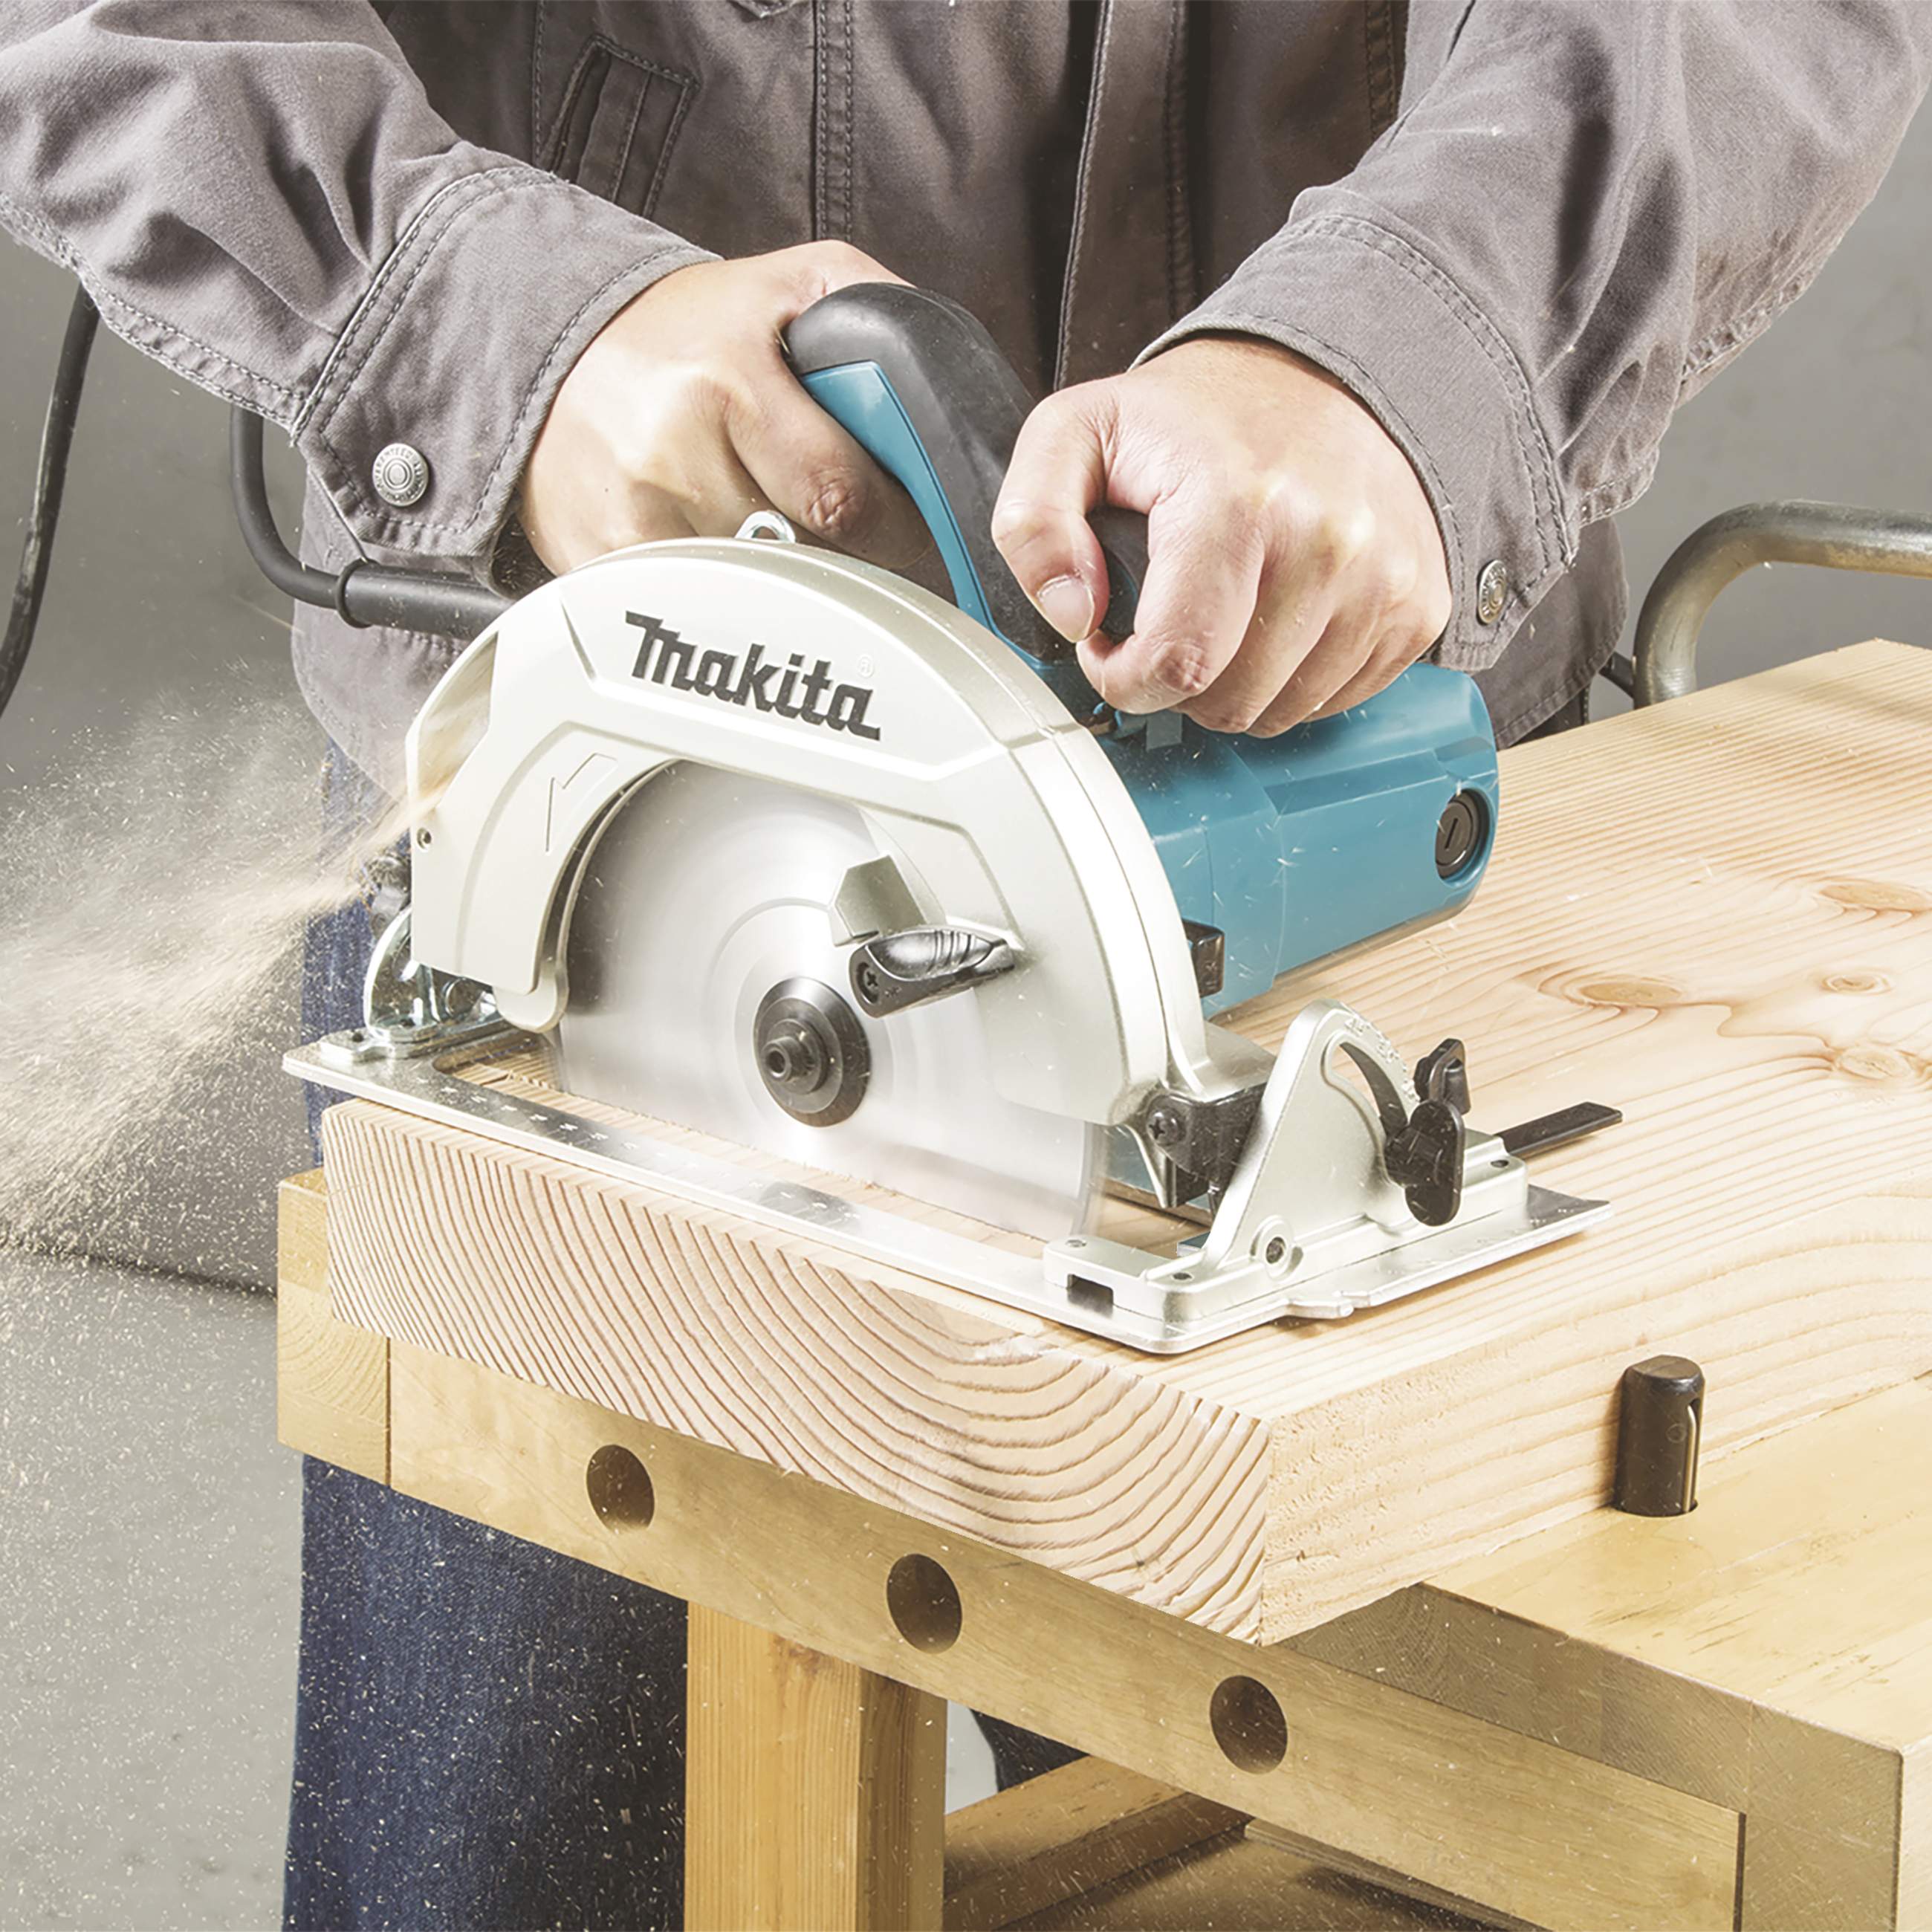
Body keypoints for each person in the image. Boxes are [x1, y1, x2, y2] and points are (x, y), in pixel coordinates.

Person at [3, 4, 1926, 1926]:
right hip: (598, 823)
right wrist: (494, 312)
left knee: (1374, 1847)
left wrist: (1407, 337)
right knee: (510, 1875)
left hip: (1324, 669)